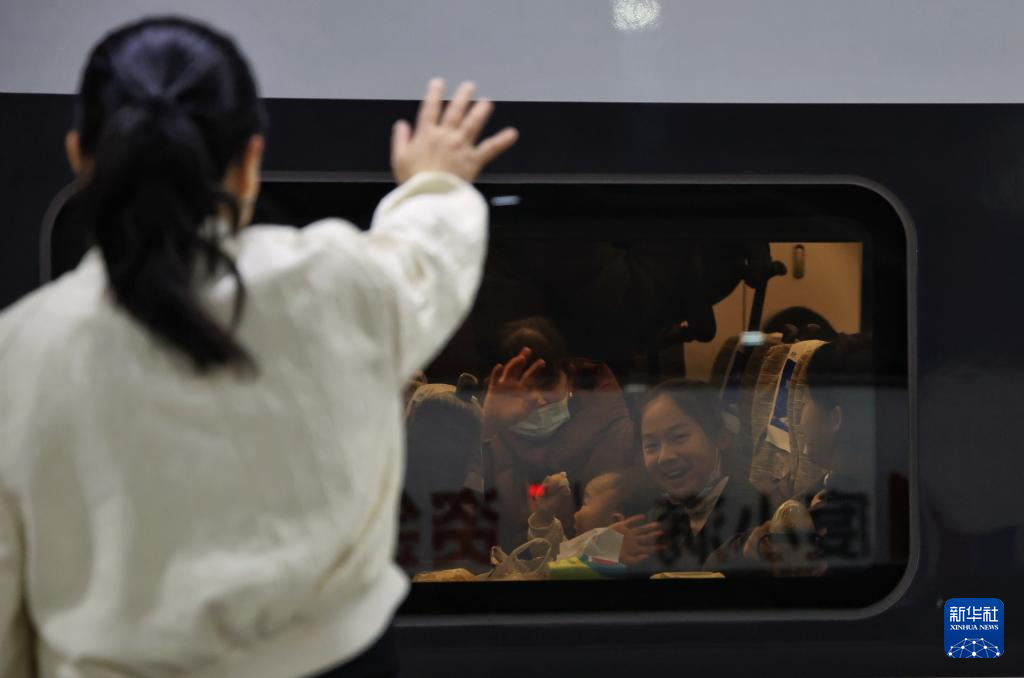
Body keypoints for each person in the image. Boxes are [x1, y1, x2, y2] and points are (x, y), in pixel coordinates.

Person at [0, 16, 517, 678]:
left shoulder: (20, 353)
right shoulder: (333, 284)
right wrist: (433, 179)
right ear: (249, 163)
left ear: (80, 159)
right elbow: (425, 259)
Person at [481, 317, 637, 549]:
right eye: (522, 389)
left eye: (547, 385)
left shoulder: (616, 432)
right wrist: (485, 428)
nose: (538, 400)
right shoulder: (486, 439)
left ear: (570, 377)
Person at [637, 379, 770, 573]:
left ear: (721, 437)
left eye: (679, 437)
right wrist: (618, 559)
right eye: (651, 445)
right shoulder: (659, 517)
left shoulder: (756, 514)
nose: (664, 457)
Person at [525, 469, 661, 567]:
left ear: (615, 521)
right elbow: (555, 558)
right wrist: (543, 516)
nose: (576, 514)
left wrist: (606, 548)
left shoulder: (614, 562)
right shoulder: (589, 551)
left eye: (585, 503)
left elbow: (557, 565)